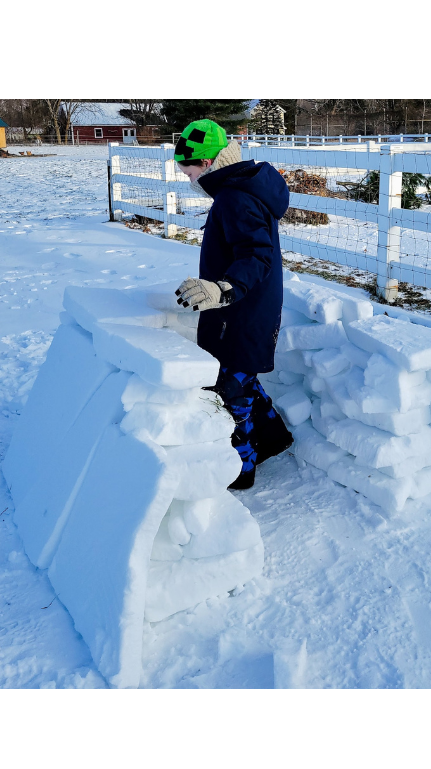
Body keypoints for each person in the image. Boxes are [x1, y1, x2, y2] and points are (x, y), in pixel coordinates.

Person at [173, 119, 293, 490]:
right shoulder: (236, 189)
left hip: (243, 311)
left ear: (208, 163)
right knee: (242, 375)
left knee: (230, 388)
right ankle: (274, 437)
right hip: (243, 306)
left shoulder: (235, 198)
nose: (186, 176)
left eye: (188, 168)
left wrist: (223, 288)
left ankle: (241, 469)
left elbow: (257, 256)